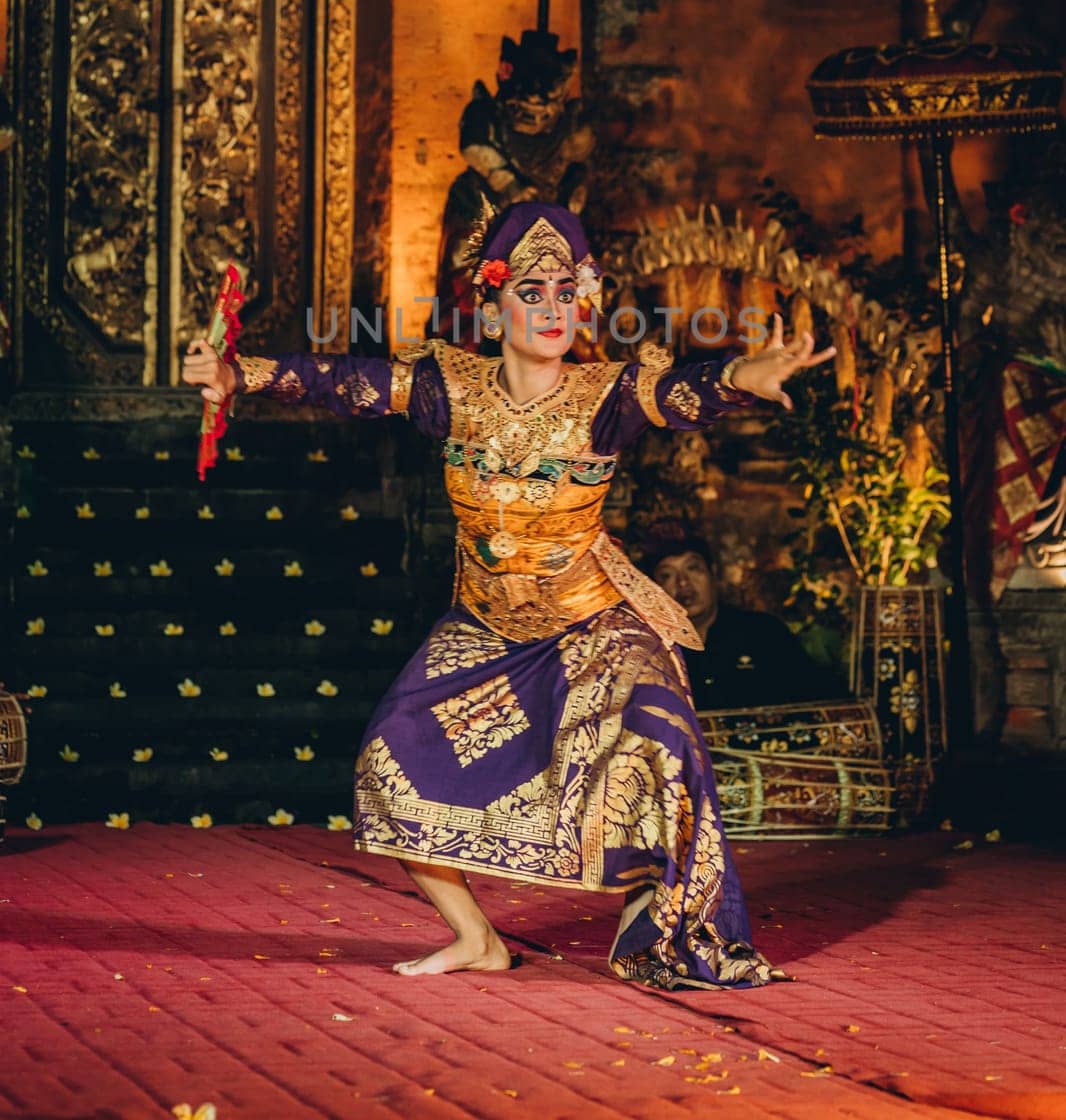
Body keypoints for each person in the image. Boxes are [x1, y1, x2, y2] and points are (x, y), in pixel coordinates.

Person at [183, 204, 834, 990]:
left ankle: (661, 910)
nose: (555, 308)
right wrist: (237, 374)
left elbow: (684, 394)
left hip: (593, 619)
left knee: (658, 735)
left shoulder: (607, 396)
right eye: (534, 292)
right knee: (384, 767)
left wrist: (740, 377)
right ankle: (476, 937)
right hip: (485, 628)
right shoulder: (447, 388)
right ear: (491, 311)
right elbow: (342, 383)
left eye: (568, 290)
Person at [644, 529, 847, 709]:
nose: (683, 583)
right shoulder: (652, 651)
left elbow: (817, 695)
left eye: (693, 568)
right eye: (667, 575)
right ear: (654, 589)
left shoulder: (763, 632)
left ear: (713, 573)